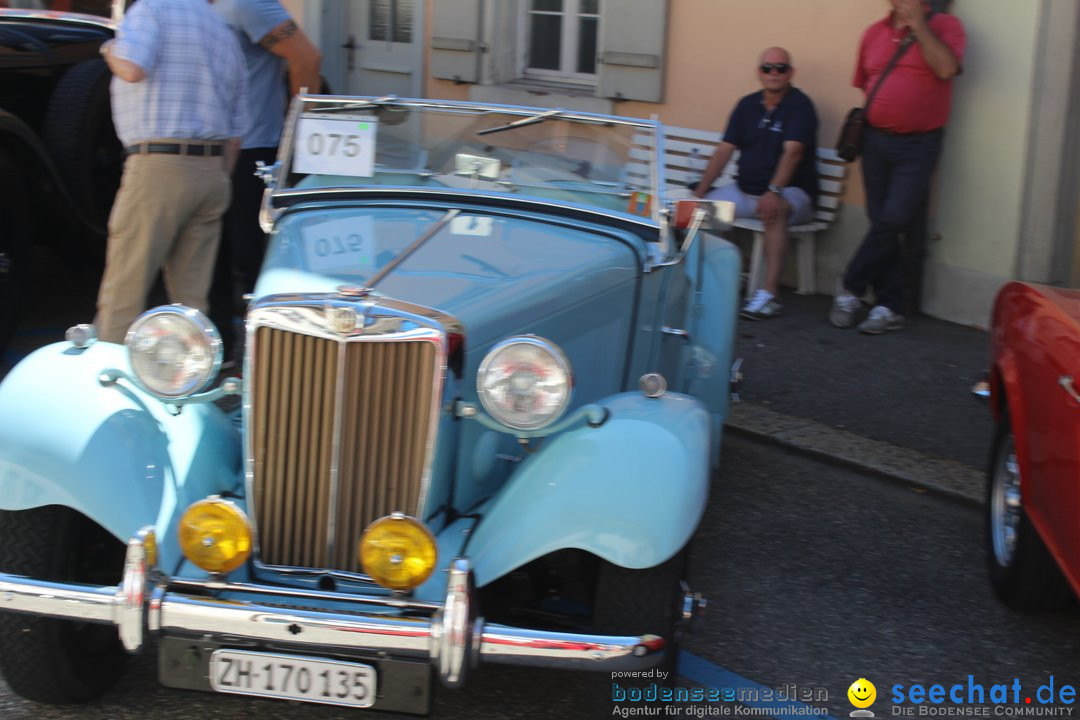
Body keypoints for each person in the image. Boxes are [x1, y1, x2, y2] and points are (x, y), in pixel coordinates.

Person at [94, 0, 248, 344]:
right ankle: (189, 388)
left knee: (124, 292)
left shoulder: (151, 10)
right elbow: (236, 134)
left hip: (158, 166)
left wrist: (108, 49)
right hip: (213, 171)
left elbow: (132, 68)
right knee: (192, 306)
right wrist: (218, 175)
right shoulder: (223, 31)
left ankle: (106, 385)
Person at [829, 0, 965, 334]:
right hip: (875, 142)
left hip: (918, 145)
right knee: (881, 223)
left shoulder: (947, 27)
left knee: (893, 220)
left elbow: (947, 69)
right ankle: (890, 306)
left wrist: (919, 26)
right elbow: (867, 83)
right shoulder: (873, 33)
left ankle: (850, 286)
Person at [209, 0, 322, 365]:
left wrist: (299, 139)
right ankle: (224, 358)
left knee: (255, 261)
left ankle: (285, 360)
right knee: (214, 259)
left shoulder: (246, 3)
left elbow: (305, 58)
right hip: (216, 148)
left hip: (255, 149)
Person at [694, 47, 818, 320]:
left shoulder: (800, 106)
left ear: (791, 73)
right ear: (759, 73)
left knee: (772, 211)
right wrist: (700, 193)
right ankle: (736, 271)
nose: (774, 73)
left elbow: (793, 152)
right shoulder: (746, 105)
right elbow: (724, 151)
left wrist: (774, 191)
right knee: (700, 214)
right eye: (767, 68)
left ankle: (769, 295)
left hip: (792, 193)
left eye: (780, 68)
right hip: (745, 189)